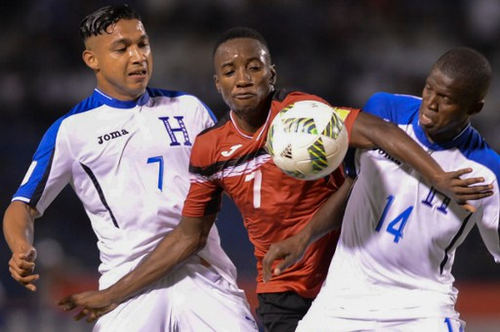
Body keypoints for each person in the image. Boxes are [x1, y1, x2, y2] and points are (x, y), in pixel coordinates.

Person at [58, 28, 492, 331]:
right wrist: (112, 293)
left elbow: (373, 133)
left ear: (272, 74)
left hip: (340, 274)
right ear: (217, 83)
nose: (243, 78)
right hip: (282, 285)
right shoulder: (210, 149)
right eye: (230, 71)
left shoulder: (304, 114)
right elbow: (188, 236)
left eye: (253, 67)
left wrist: (438, 176)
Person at [3, 5, 258, 331]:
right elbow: (22, 206)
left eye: (143, 44)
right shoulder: (71, 131)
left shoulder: (189, 109)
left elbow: (243, 177)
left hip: (204, 273)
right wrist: (21, 247)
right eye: (122, 48)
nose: (138, 56)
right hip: (127, 285)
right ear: (92, 60)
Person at [263, 47, 499, 331]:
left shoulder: (486, 171)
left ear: (474, 107)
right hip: (343, 298)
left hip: (421, 306)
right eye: (429, 88)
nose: (431, 103)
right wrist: (304, 237)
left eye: (446, 99)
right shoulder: (384, 110)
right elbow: (352, 186)